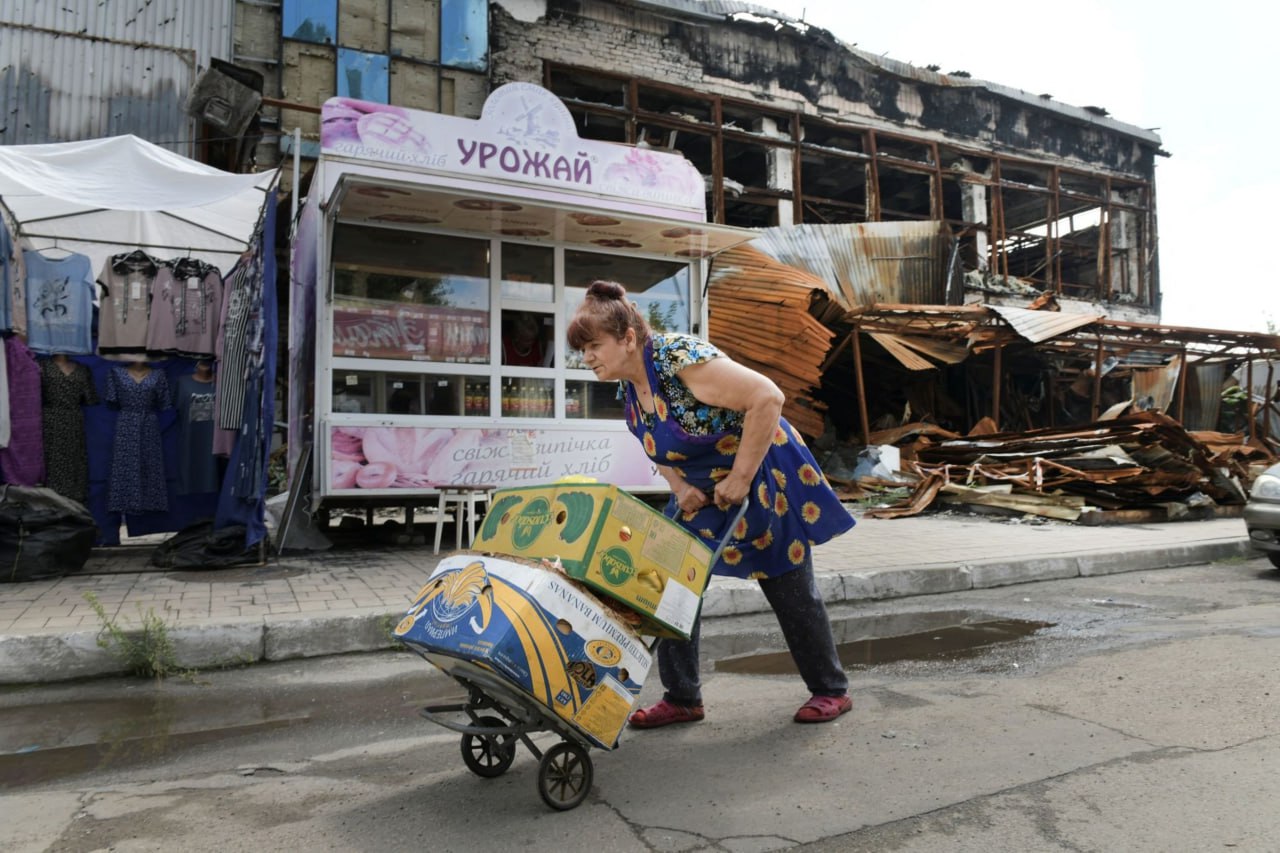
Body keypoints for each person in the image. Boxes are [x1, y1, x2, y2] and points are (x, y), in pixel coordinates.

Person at [566, 280, 857, 726]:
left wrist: (741, 477)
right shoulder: (628, 385)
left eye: (593, 346)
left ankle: (830, 689)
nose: (586, 357)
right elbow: (656, 446)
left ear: (627, 338)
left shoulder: (678, 358)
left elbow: (767, 397)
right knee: (668, 587)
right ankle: (683, 697)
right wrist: (680, 487)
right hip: (701, 490)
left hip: (761, 476)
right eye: (581, 349)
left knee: (788, 587)